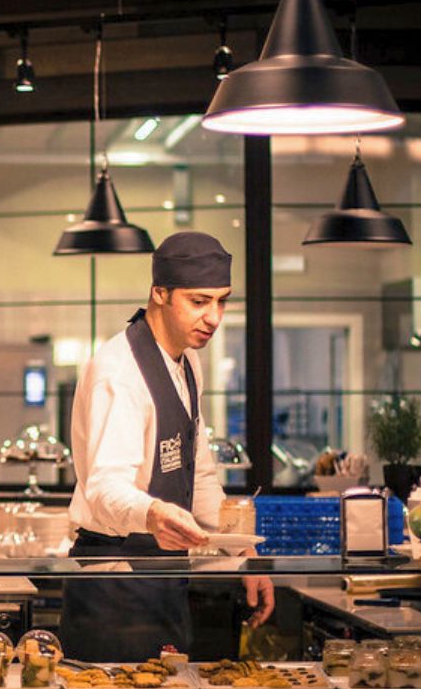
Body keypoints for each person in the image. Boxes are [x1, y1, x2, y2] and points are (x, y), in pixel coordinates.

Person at [60, 231, 273, 662]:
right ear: (159, 293)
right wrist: (155, 513)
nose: (213, 317)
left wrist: (242, 549)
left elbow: (200, 473)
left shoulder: (187, 360)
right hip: (114, 583)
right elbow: (104, 489)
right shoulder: (118, 374)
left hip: (163, 577)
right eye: (198, 302)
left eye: (221, 301)